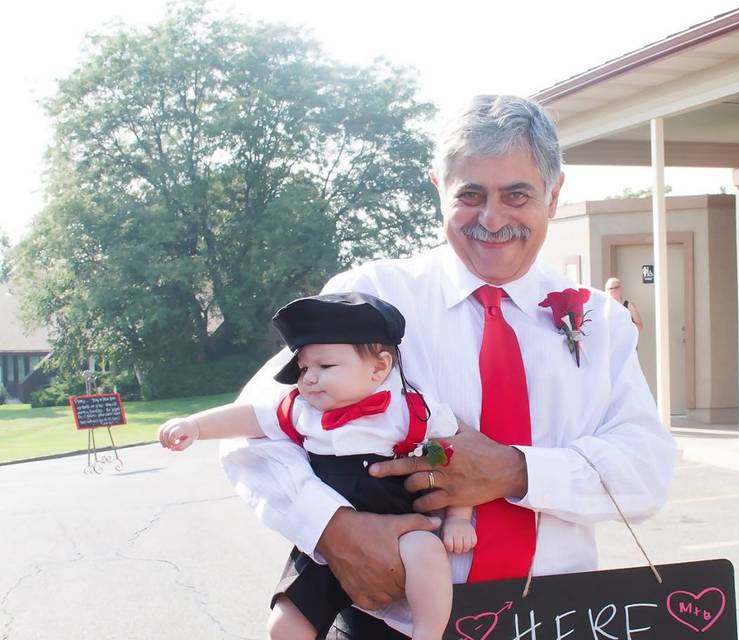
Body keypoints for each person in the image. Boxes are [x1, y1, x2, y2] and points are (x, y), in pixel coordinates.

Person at [221, 94, 677, 639]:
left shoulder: (600, 322)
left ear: (554, 195)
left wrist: (516, 470)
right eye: (471, 195)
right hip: (390, 622)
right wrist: (334, 529)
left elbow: (646, 471)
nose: (492, 218)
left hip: (559, 620)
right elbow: (254, 432)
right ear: (438, 187)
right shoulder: (368, 298)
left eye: (517, 195)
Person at [159, 293, 474, 640]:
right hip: (325, 539)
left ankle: (428, 635)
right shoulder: (302, 411)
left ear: (380, 367)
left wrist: (459, 518)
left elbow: (459, 460)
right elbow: (251, 416)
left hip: (400, 524)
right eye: (304, 368)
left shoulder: (412, 409)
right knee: (284, 623)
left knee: (427, 553)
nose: (308, 378)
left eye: (324, 367)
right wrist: (196, 426)